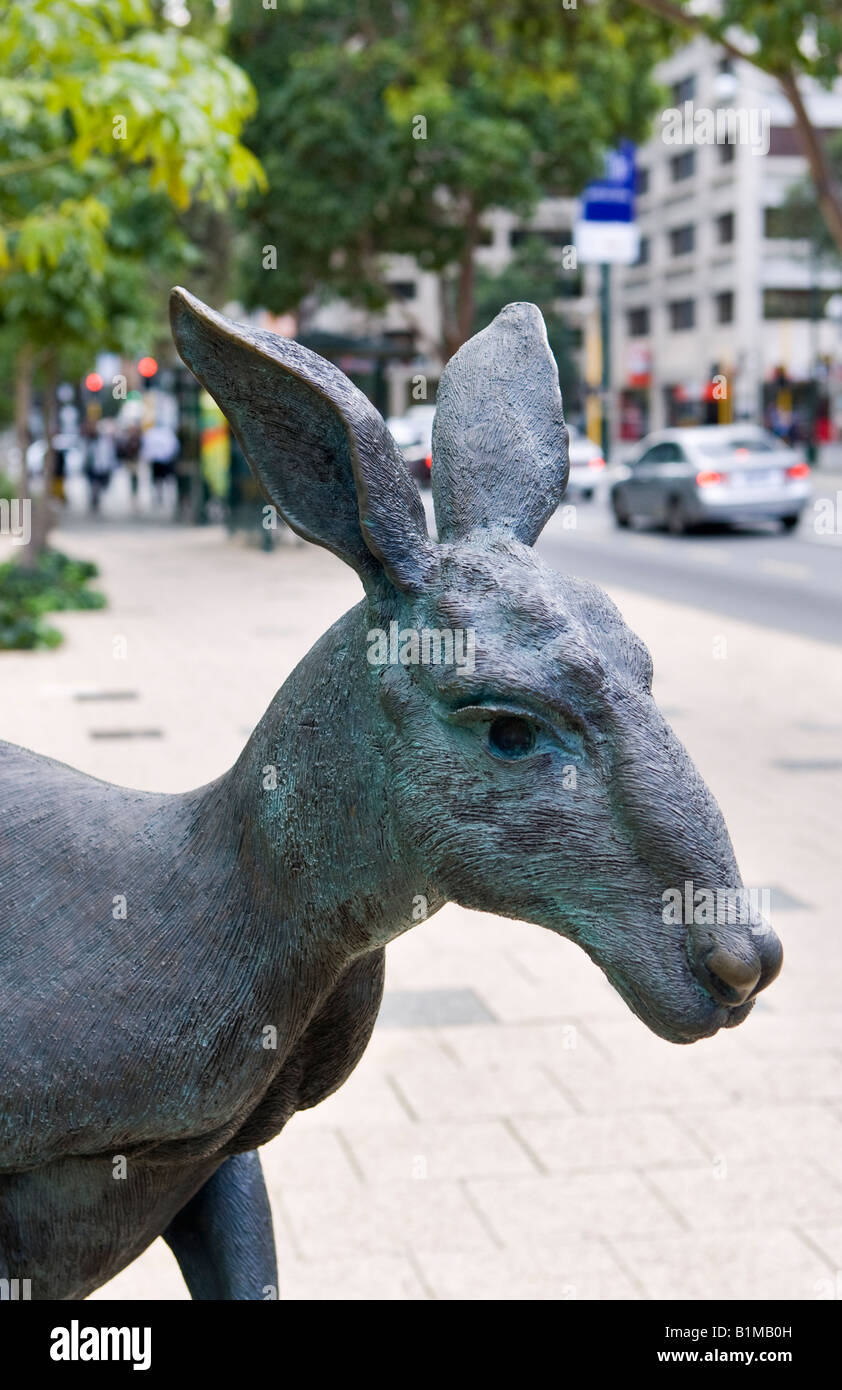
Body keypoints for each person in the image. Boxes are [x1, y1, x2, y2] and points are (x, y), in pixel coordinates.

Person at [141, 421, 180, 506]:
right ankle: (167, 496)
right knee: (167, 479)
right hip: (165, 460)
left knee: (158, 480)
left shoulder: (151, 433)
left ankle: (160, 496)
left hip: (157, 461)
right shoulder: (168, 433)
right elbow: (175, 446)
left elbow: (146, 447)